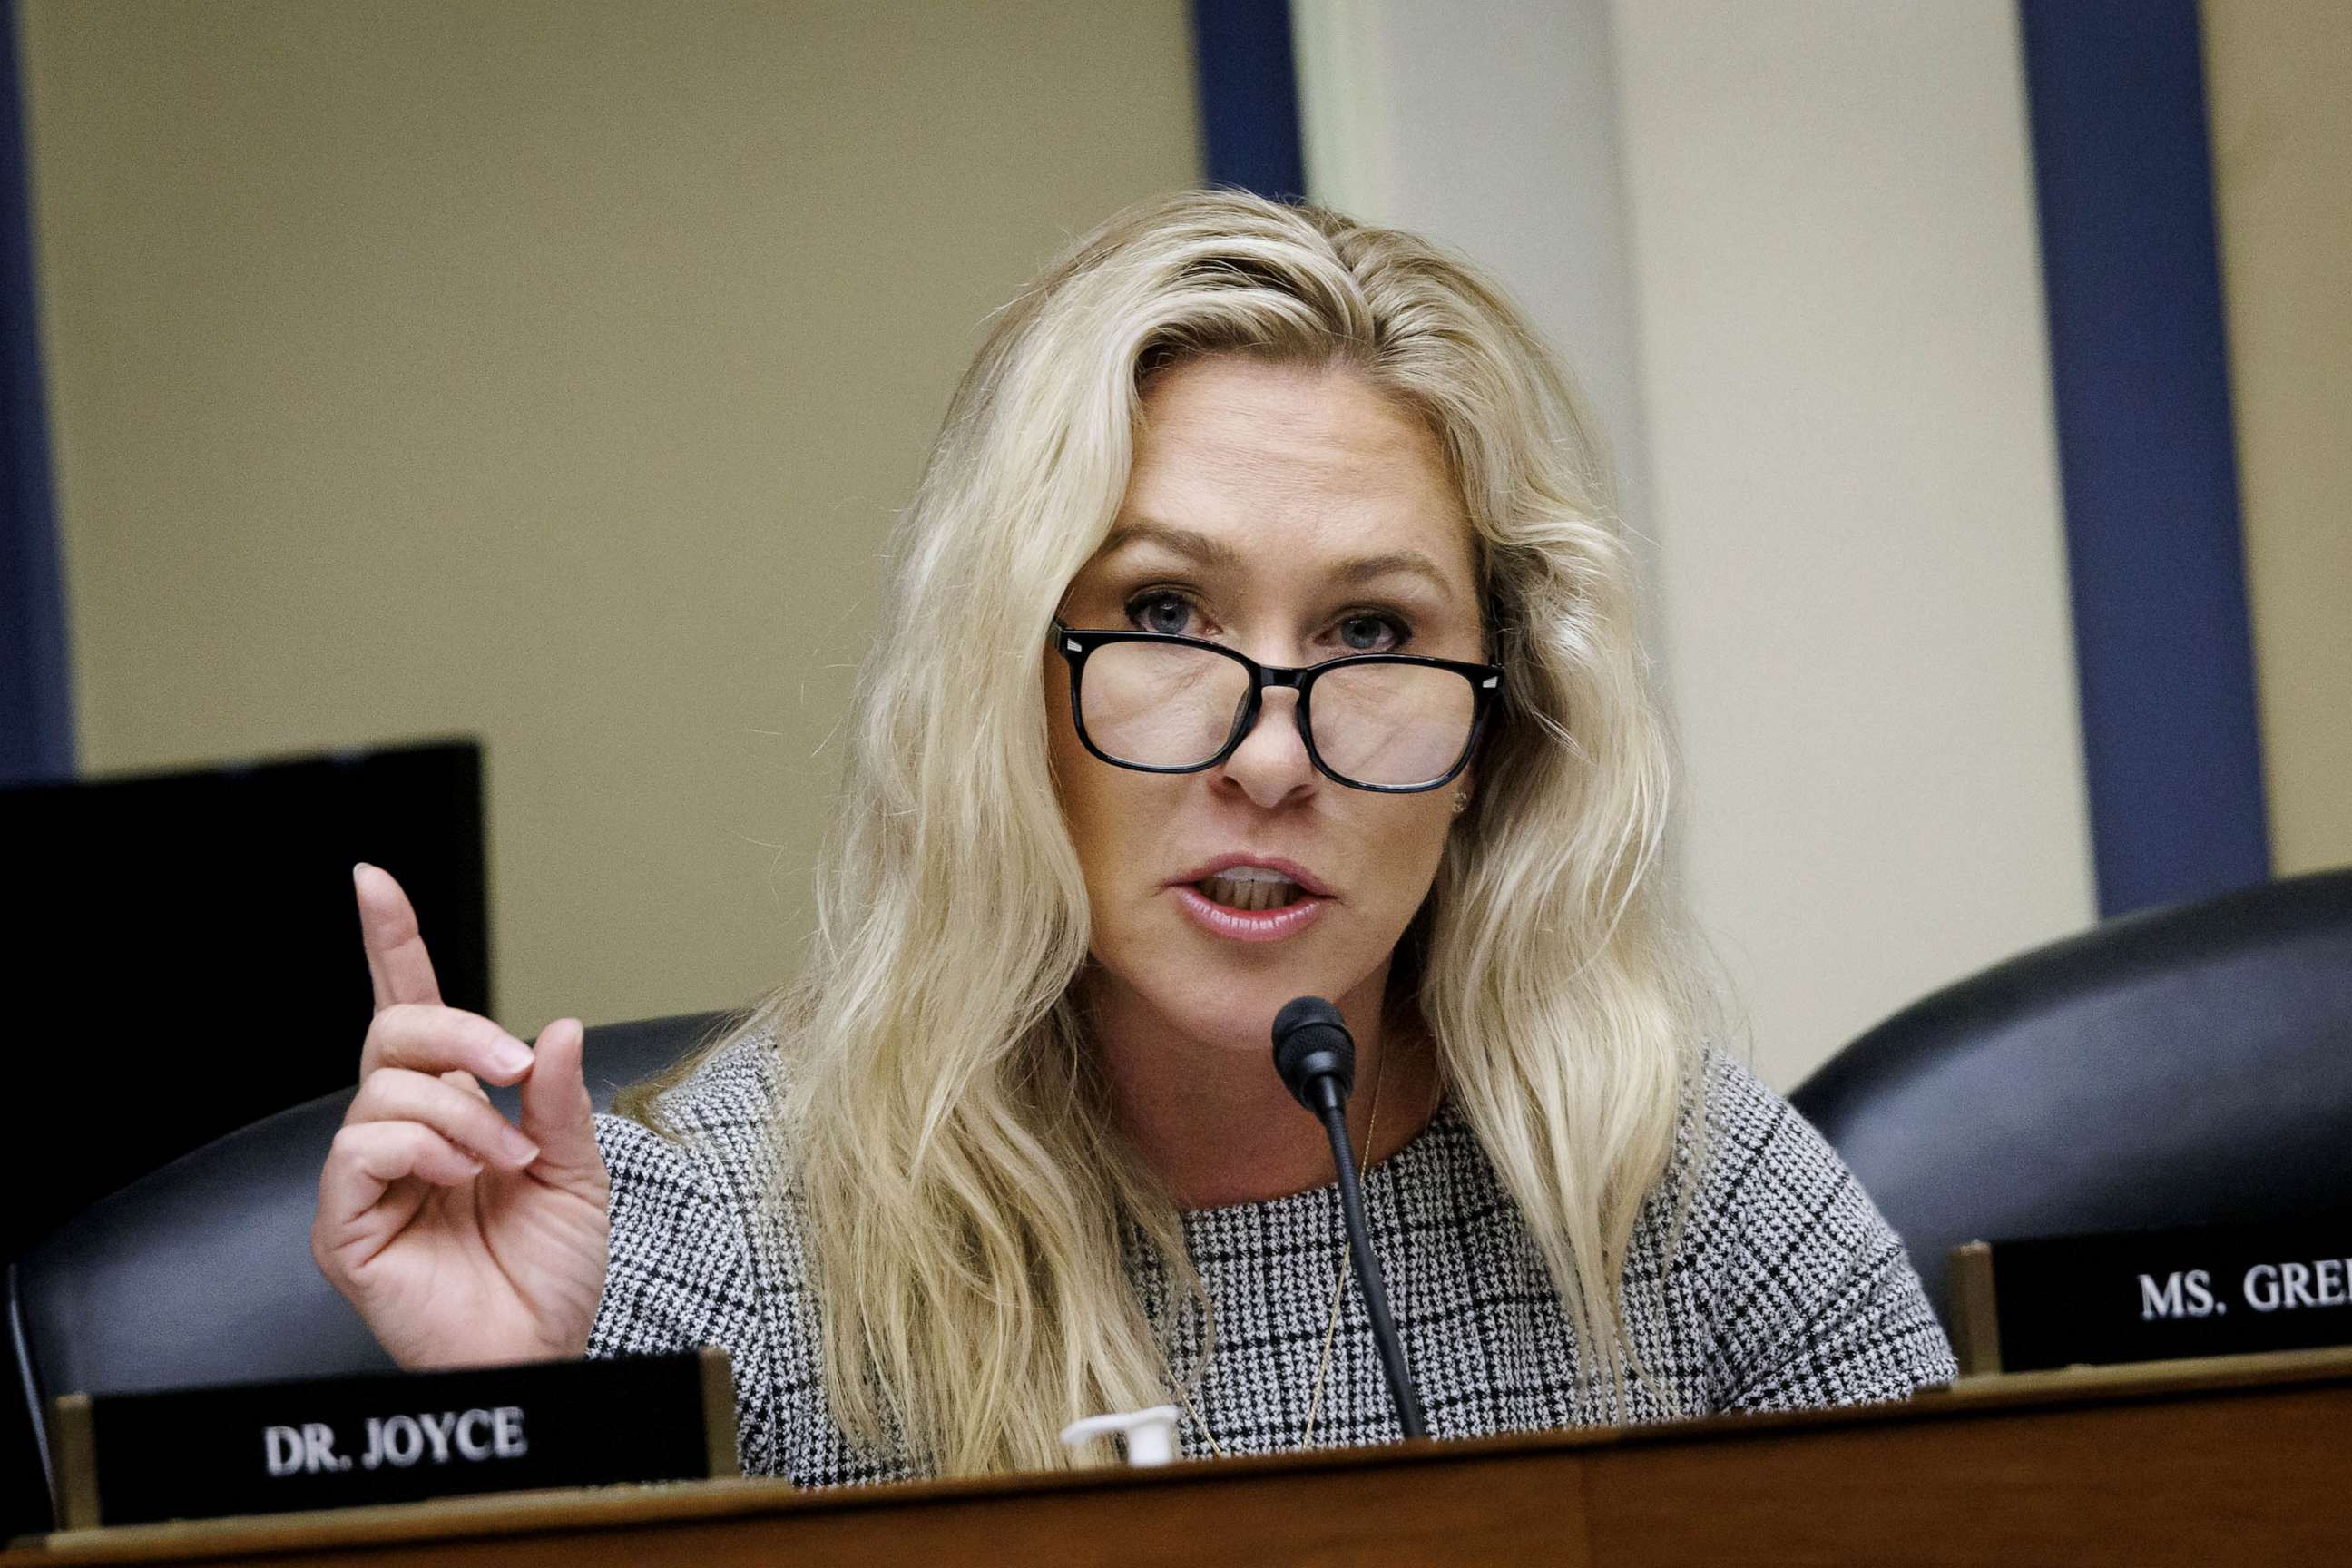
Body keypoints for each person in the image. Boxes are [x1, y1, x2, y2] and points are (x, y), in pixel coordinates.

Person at [313, 189, 1955, 1486]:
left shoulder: (1663, 1183)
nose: (1267, 753)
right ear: (1003, 688)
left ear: (1495, 736)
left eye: (1374, 636)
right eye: (1162, 612)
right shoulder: (727, 1256)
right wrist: (535, 1437)